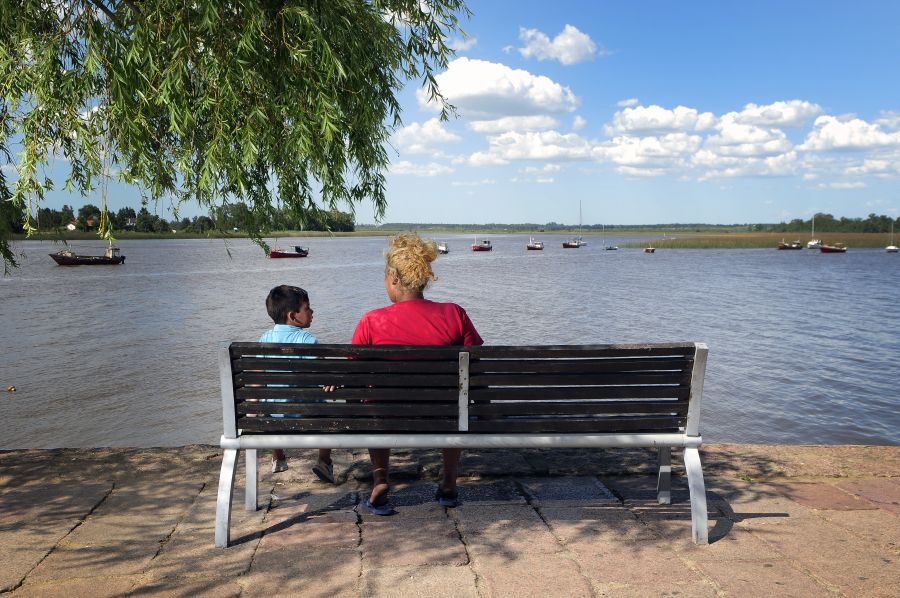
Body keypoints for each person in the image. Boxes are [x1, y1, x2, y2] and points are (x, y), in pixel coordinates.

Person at [352, 233, 483, 515]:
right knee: (455, 405)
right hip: (442, 415)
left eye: (386, 278)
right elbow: (478, 361)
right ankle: (448, 481)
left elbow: (351, 369)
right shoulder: (454, 313)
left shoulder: (371, 320)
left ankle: (380, 480)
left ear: (395, 279)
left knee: (373, 403)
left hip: (387, 416)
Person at [258, 284, 335, 482]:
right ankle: (324, 463)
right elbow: (327, 374)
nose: (312, 312)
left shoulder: (264, 339)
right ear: (293, 316)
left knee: (270, 403)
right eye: (307, 308)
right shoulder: (308, 341)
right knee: (328, 413)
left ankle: (278, 456)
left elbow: (257, 379)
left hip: (276, 417)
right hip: (308, 415)